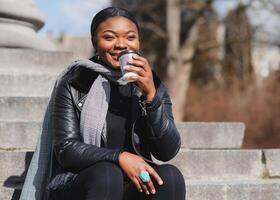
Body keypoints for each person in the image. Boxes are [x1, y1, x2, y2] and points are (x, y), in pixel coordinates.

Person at [25, 6, 185, 200]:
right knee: (107, 174)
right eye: (109, 37)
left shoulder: (151, 83)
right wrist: (119, 157)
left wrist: (151, 97)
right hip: (85, 181)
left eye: (130, 37)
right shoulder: (76, 81)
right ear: (95, 42)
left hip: (133, 183)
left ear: (138, 41)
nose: (121, 44)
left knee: (171, 177)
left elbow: (167, 150)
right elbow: (66, 149)